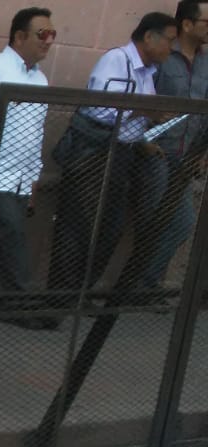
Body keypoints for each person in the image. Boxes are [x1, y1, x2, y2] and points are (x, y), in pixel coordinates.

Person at [45, 13, 178, 308]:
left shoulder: (147, 72)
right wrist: (144, 111)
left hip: (123, 154)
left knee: (109, 229)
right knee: (79, 226)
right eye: (169, 41)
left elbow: (133, 117)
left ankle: (79, 294)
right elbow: (100, 109)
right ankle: (59, 299)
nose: (171, 48)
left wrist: (145, 133)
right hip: (94, 153)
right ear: (149, 37)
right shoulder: (116, 60)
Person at [0, 7, 56, 330]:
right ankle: (19, 303)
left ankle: (9, 301)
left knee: (10, 237)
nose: (48, 41)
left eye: (52, 35)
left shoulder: (40, 79)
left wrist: (33, 180)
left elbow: (35, 134)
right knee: (12, 234)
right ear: (19, 37)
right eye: (42, 34)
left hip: (21, 179)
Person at [147, 1, 208, 295]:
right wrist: (145, 141)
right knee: (153, 222)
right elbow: (144, 98)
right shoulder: (163, 57)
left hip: (186, 157)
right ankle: (137, 289)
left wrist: (203, 153)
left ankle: (144, 286)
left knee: (181, 223)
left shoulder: (205, 63)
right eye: (207, 22)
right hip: (156, 154)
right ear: (187, 24)